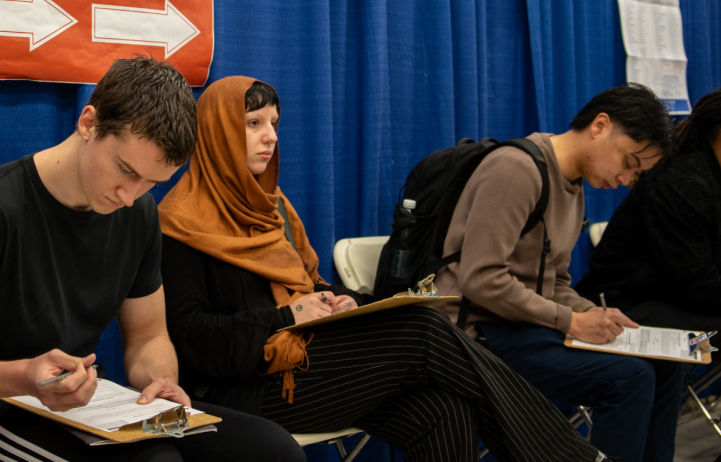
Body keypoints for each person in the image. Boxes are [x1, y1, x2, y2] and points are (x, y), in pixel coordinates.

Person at [158, 76, 606, 462]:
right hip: (245, 391)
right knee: (421, 328)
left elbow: (306, 284)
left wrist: (335, 298)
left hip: (312, 364)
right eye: (253, 124)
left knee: (444, 411)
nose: (270, 136)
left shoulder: (272, 209)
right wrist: (288, 317)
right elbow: (194, 340)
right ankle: (565, 455)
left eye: (274, 123)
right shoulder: (180, 224)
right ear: (217, 132)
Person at [0, 57, 306, 462]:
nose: (130, 195)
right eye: (124, 169)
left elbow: (147, 338)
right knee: (155, 460)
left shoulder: (137, 213)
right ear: (88, 123)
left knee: (272, 448)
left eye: (150, 183)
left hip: (82, 403)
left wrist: (161, 382)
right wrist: (22, 376)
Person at [436, 83, 680, 462]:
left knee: (666, 369)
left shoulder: (574, 183)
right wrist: (571, 321)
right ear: (600, 125)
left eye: (636, 176)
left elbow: (554, 280)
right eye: (629, 163)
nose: (625, 181)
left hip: (522, 326)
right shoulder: (516, 168)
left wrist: (589, 312)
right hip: (475, 333)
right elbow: (481, 278)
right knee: (629, 378)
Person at [577, 87, 721, 332]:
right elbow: (697, 289)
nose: (624, 178)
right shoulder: (683, 184)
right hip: (627, 304)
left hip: (672, 298)